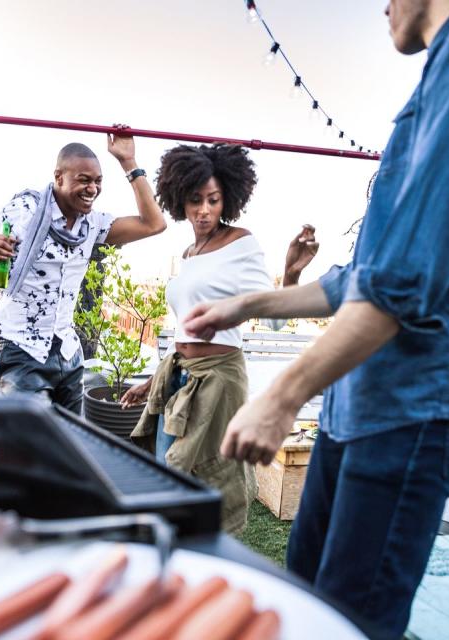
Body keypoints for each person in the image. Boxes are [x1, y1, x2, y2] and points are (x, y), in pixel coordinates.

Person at [181, 1, 449, 636]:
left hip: (415, 404)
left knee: (349, 622)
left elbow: (404, 281)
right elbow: (367, 274)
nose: (381, 5)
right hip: (358, 403)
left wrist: (282, 395)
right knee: (304, 603)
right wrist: (248, 304)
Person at [122, 143, 318, 534]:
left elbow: (272, 317)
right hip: (178, 377)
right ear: (180, 199)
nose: (204, 210)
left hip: (218, 381)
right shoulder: (191, 252)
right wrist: (151, 382)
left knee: (207, 479)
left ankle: (204, 565)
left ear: (228, 197)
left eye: (213, 199)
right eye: (195, 200)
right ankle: (172, 563)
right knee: (167, 474)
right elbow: (183, 331)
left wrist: (290, 275)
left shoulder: (241, 243)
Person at [0, 128, 166, 412]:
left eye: (97, 181)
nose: (92, 188)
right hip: (20, 349)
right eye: (83, 180)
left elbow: (153, 223)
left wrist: (128, 162)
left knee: (69, 442)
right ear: (59, 177)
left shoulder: (92, 225)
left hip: (68, 353)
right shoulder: (22, 211)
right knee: (32, 443)